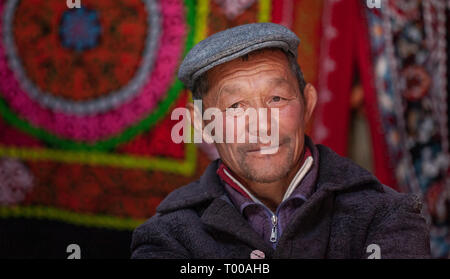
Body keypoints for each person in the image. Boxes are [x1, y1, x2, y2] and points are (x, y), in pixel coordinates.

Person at [130, 23, 430, 259]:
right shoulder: (169, 235)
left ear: (308, 104)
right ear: (202, 124)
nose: (261, 125)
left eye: (276, 98)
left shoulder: (385, 216)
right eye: (235, 107)